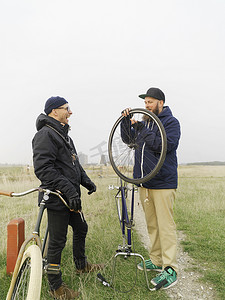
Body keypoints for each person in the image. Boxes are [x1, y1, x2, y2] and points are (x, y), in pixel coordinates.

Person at [32, 96, 103, 299]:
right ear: (54, 111)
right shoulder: (45, 135)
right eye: (67, 108)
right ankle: (56, 288)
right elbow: (44, 169)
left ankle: (81, 266)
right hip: (57, 199)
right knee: (57, 242)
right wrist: (69, 190)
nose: (70, 112)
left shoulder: (64, 136)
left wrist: (86, 181)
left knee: (81, 227)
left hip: (71, 198)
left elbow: (74, 164)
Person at [122, 87, 181, 290]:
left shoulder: (171, 123)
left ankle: (170, 267)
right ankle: (156, 260)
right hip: (145, 182)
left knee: (165, 226)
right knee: (152, 225)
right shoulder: (146, 123)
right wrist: (125, 123)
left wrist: (141, 128)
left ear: (160, 103)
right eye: (145, 102)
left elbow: (161, 145)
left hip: (163, 183)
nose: (146, 105)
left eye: (150, 102)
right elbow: (129, 141)